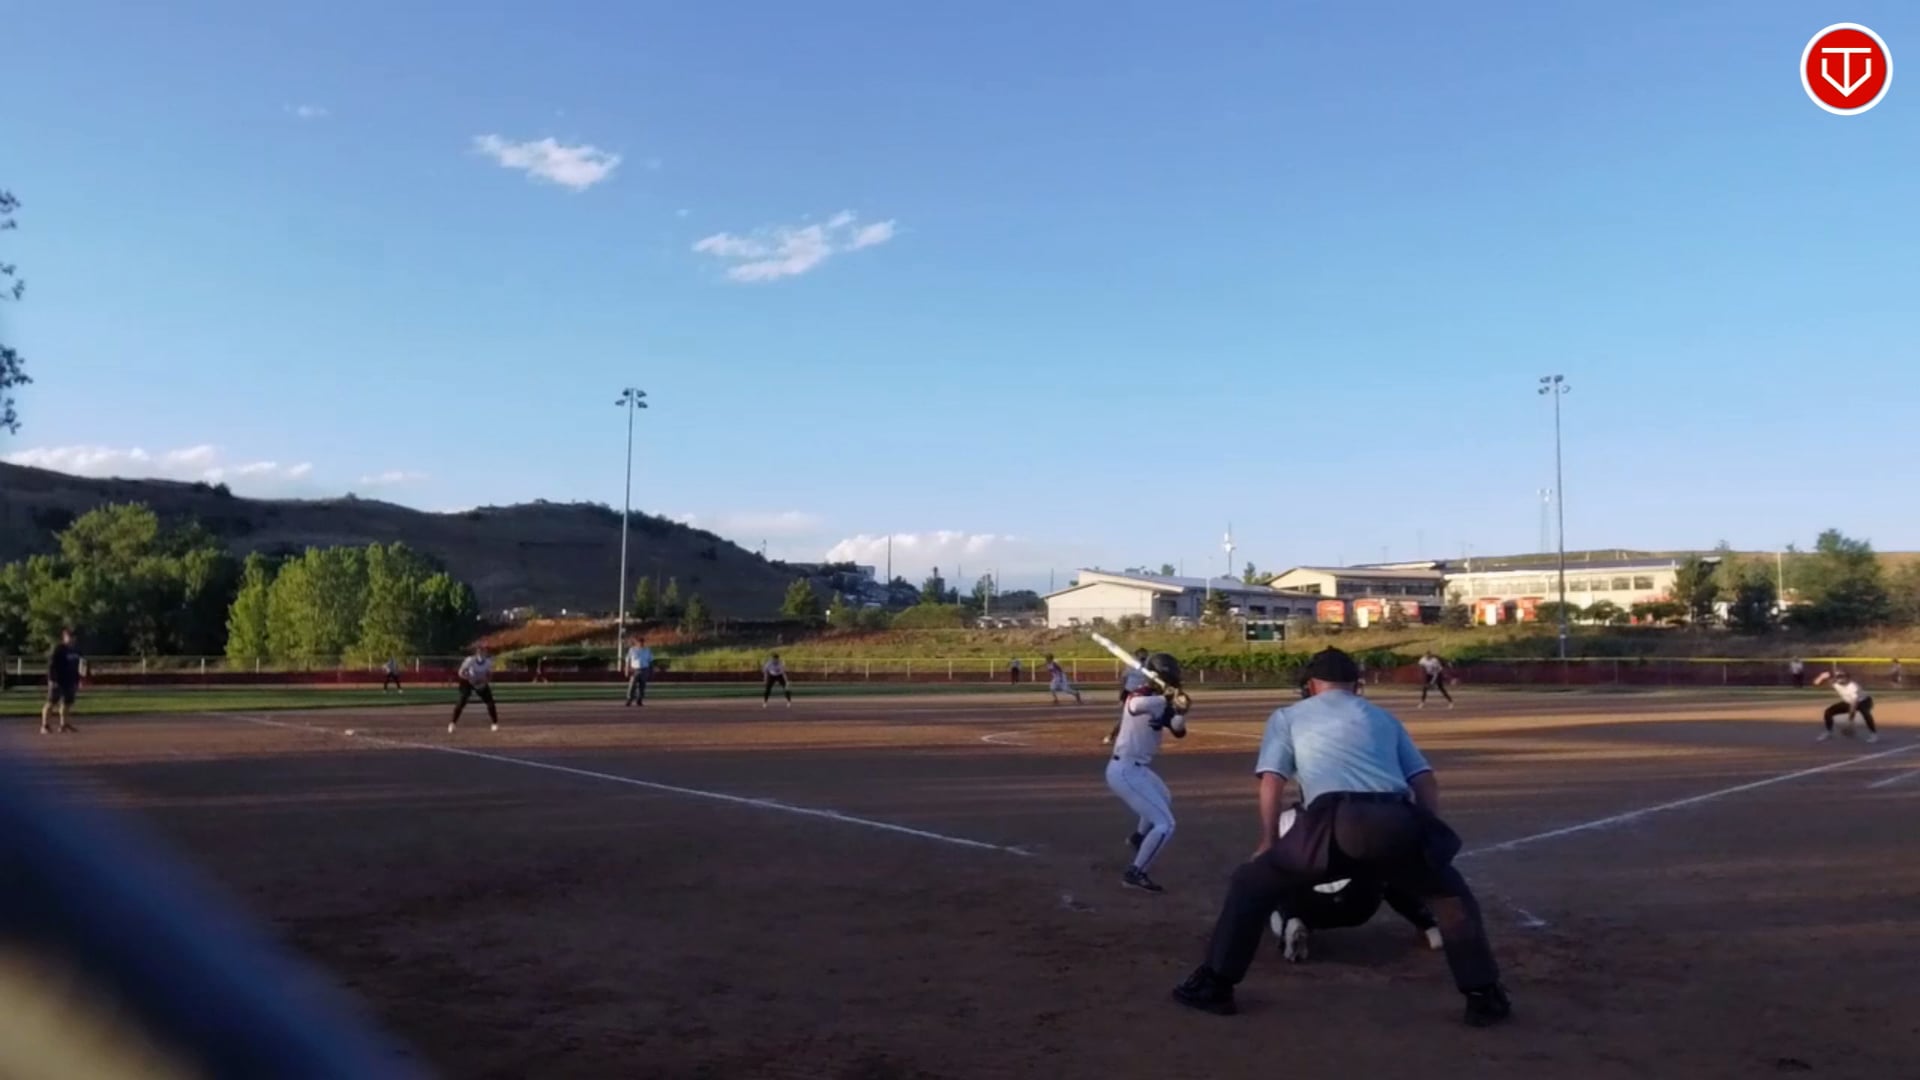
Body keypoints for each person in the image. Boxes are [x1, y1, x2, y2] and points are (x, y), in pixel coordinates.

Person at [1171, 647, 1509, 1026]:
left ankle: (1216, 985)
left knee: (1250, 884)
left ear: (1313, 684)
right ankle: (1484, 995)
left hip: (1333, 820)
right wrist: (1424, 838)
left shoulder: (1288, 716)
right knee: (1449, 895)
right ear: (1355, 684)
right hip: (1396, 818)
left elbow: (1272, 782)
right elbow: (1425, 781)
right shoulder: (1383, 717)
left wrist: (1268, 841)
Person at [1268, 798, 1445, 963]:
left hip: (1311, 906)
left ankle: (1290, 920)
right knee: (1385, 869)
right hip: (1360, 903)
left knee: (1276, 880)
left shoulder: (1288, 817)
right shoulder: (1360, 813)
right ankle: (1428, 926)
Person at [1108, 653, 1188, 893]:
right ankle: (1135, 873)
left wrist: (1180, 712)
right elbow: (1133, 706)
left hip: (1138, 769)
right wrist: (1166, 698)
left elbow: (1178, 731)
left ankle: (1138, 838)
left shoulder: (1164, 701)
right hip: (1124, 770)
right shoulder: (1142, 695)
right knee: (1166, 824)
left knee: (1164, 797)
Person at [1813, 669, 1877, 743]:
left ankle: (1873, 734)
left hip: (1864, 701)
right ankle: (1829, 732)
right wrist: (1821, 677)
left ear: (1847, 678)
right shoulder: (1836, 683)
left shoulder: (1853, 687)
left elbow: (1854, 704)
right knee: (1828, 712)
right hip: (1848, 701)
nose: (1839, 679)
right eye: (1838, 677)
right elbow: (1816, 684)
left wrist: (1850, 720)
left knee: (1865, 713)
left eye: (1842, 677)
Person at [1104, 649, 1152, 745]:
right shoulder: (1131, 665)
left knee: (1146, 717)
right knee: (1125, 717)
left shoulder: (1149, 666)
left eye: (1144, 656)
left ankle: (1140, 737)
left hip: (1142, 694)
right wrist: (1121, 695)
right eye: (1141, 656)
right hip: (1129, 692)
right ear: (1136, 656)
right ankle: (1112, 735)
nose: (1143, 658)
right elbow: (1123, 680)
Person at [42, 627, 82, 735]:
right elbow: (51, 665)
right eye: (69, 636)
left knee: (67, 703)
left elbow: (77, 666)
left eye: (73, 637)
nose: (72, 639)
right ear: (64, 637)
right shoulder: (59, 649)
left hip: (70, 680)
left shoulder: (75, 650)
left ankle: (64, 725)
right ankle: (45, 725)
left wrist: (77, 680)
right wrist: (52, 679)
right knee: (51, 702)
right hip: (58, 680)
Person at [449, 645, 499, 733]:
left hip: (480, 683)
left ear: (485, 652)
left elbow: (489, 675)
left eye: (483, 651)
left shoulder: (488, 662)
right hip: (468, 682)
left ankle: (494, 723)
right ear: (476, 652)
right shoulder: (470, 660)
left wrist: (483, 681)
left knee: (490, 702)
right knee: (462, 701)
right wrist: (469, 678)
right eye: (479, 651)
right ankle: (452, 723)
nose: (481, 653)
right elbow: (460, 672)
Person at [625, 635, 655, 707]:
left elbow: (650, 661)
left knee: (642, 686)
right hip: (634, 670)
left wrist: (651, 671)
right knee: (632, 686)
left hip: (644, 669)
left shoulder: (647, 650)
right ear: (636, 643)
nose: (641, 643)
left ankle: (639, 700)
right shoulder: (632, 650)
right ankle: (629, 700)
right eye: (639, 642)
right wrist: (626, 670)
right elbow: (628, 660)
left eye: (642, 642)